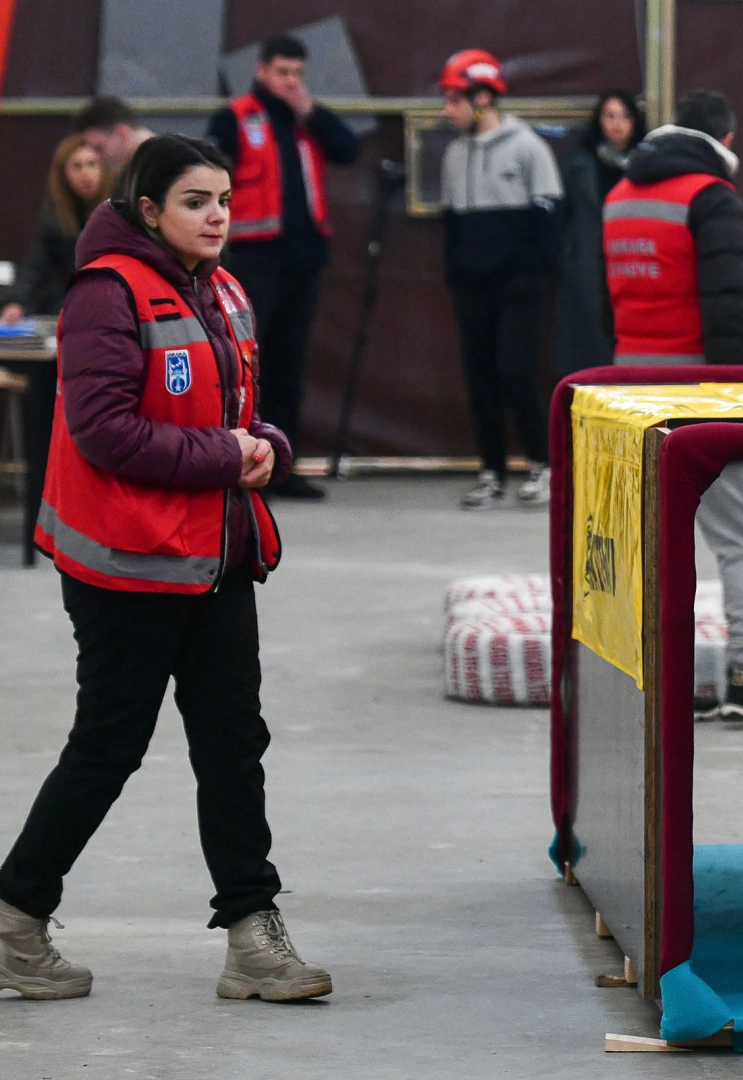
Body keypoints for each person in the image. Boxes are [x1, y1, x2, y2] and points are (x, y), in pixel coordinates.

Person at [0, 134, 330, 1002]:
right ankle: (14, 918)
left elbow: (242, 414)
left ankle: (253, 940)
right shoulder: (104, 295)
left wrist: (266, 448)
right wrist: (227, 454)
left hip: (215, 555)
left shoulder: (222, 288)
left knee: (233, 745)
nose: (216, 214)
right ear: (149, 211)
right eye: (194, 200)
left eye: (223, 198)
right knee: (110, 744)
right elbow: (104, 430)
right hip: (126, 567)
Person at [604, 88, 743, 720]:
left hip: (632, 388)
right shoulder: (710, 198)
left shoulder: (618, 197)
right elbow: (725, 311)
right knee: (741, 539)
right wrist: (738, 404)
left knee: (651, 541)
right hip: (699, 389)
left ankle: (660, 677)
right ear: (728, 140)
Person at [206, 33, 362, 501]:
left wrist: (309, 109)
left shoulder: (305, 121)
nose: (291, 82)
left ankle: (282, 467)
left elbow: (348, 149)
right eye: (282, 73)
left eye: (297, 73)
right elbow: (209, 170)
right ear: (261, 70)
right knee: (251, 363)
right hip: (253, 260)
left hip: (303, 259)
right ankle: (246, 463)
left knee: (292, 363)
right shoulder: (234, 117)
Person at [438, 48, 562, 510]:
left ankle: (541, 465)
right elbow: (452, 222)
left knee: (516, 371)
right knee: (480, 377)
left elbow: (548, 219)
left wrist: (530, 275)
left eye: (455, 99)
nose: (448, 110)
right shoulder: (454, 154)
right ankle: (491, 472)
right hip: (473, 286)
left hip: (519, 284)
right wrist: (458, 271)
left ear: (484, 97)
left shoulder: (528, 147)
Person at [0, 134, 115, 570]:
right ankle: (44, 519)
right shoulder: (56, 216)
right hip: (62, 322)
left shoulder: (118, 211)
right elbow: (34, 267)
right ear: (63, 175)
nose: (87, 174)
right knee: (44, 417)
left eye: (92, 164)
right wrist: (17, 303)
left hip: (108, 324)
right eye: (76, 166)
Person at [554, 91, 646, 375]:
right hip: (587, 264)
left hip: (634, 262)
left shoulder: (646, 167)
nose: (617, 124)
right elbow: (563, 216)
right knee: (587, 345)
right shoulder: (579, 167)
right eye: (610, 116)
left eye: (625, 116)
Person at [71, 95, 154, 173]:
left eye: (99, 148)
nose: (97, 158)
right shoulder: (133, 169)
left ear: (123, 134)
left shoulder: (161, 166)